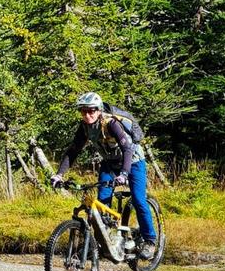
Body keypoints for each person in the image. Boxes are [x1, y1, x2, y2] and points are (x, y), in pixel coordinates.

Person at [49, 92, 157, 260]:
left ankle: (150, 241)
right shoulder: (85, 127)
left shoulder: (111, 123)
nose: (87, 115)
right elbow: (73, 151)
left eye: (91, 111)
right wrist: (59, 174)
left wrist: (124, 174)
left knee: (138, 199)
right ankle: (109, 242)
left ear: (98, 110)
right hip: (110, 162)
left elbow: (127, 148)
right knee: (101, 203)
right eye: (83, 111)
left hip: (133, 162)